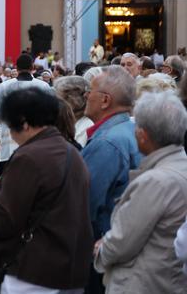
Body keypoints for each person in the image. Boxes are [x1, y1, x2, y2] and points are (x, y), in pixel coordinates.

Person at [0, 86, 92, 293]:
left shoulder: (29, 156)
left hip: (33, 271)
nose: (10, 134)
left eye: (11, 127)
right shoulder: (69, 150)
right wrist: (5, 184)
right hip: (65, 266)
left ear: (25, 123)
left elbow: (4, 221)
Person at [94, 92, 187, 292]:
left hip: (144, 282)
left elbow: (122, 241)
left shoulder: (154, 182)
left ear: (143, 135)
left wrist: (102, 248)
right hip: (167, 279)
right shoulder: (179, 165)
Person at [82, 65, 141, 293]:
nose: (86, 95)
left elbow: (85, 203)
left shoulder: (107, 143)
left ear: (105, 100)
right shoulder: (128, 131)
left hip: (101, 252)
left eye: (91, 90)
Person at [0, 53, 50, 175]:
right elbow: (50, 113)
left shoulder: (5, 86)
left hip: (10, 137)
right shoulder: (43, 86)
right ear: (32, 67)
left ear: (17, 68)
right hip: (36, 137)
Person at [54, 76, 94, 147]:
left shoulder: (87, 126)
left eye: (60, 99)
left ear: (73, 100)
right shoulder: (68, 120)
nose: (56, 103)